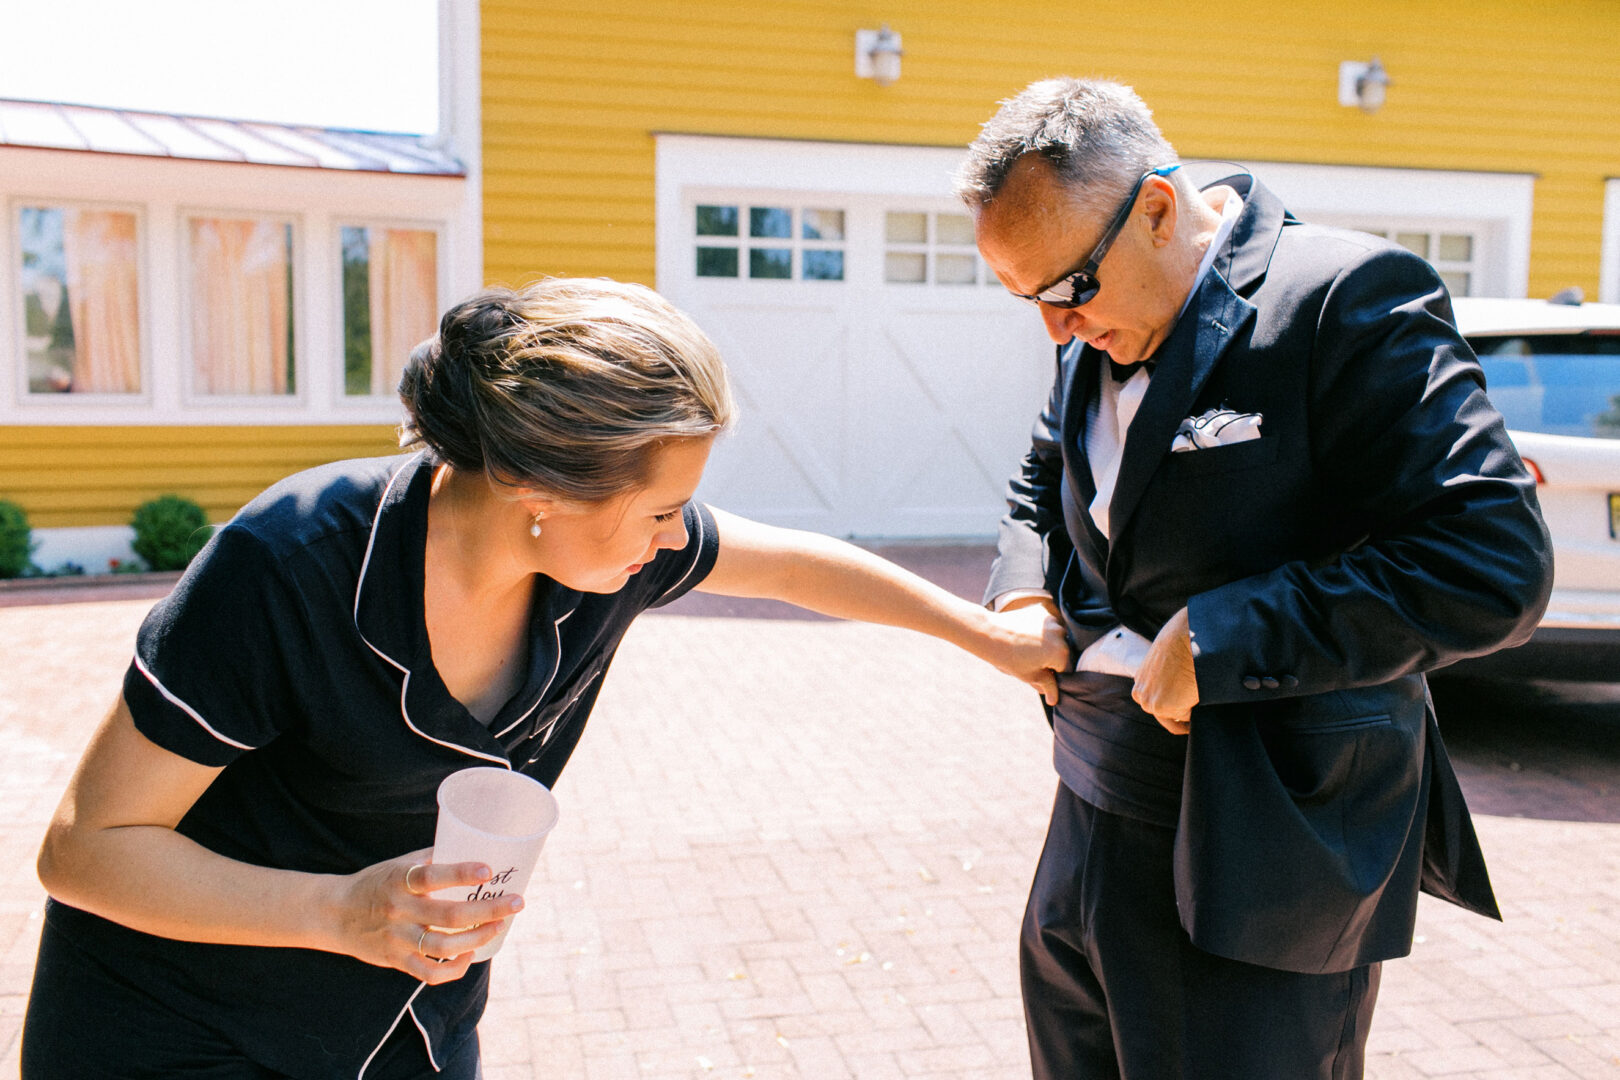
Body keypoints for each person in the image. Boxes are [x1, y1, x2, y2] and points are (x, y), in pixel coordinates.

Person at [22, 278, 1071, 1080]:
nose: (677, 540)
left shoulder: (602, 560)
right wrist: (342, 911)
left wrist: (985, 636)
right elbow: (85, 850)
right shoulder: (293, 567)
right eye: (660, 510)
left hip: (402, 1018)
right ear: (536, 487)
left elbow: (795, 565)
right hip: (175, 1021)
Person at [955, 79, 1553, 1080]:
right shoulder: (1097, 310)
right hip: (1089, 809)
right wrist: (1024, 590)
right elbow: (1040, 475)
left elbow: (1493, 562)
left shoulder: (1349, 297)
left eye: (1066, 292)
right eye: (1029, 302)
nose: (1056, 331)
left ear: (1154, 207)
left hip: (1271, 845)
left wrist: (1232, 633)